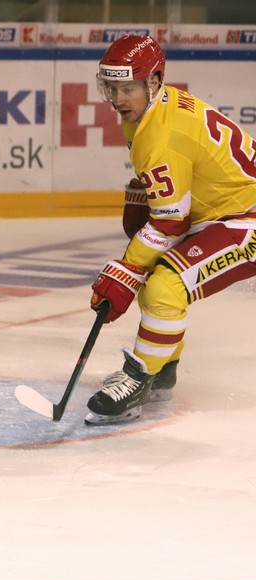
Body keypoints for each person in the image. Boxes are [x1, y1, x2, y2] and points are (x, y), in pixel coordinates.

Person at [85, 34, 256, 425]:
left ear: (154, 81)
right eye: (111, 87)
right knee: (158, 281)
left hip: (247, 220)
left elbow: (170, 222)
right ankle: (161, 368)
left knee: (165, 284)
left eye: (127, 87)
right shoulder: (156, 110)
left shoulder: (158, 134)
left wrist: (126, 270)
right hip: (226, 212)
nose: (117, 98)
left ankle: (139, 377)